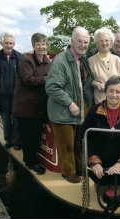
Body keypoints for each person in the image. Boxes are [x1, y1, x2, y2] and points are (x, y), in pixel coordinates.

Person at [45, 26, 94, 183]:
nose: (83, 44)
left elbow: (84, 82)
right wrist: (70, 103)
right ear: (72, 42)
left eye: (86, 42)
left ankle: (79, 167)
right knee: (67, 145)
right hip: (63, 111)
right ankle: (68, 172)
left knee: (78, 141)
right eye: (79, 41)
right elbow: (52, 87)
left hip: (79, 108)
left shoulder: (82, 59)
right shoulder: (61, 61)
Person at [81, 76, 120, 198]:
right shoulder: (94, 112)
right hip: (100, 164)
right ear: (105, 92)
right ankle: (102, 185)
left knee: (119, 195)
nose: (114, 95)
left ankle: (117, 185)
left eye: (118, 92)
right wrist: (94, 162)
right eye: (111, 91)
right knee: (101, 193)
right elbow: (85, 139)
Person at [12, 33, 51, 174]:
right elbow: (29, 80)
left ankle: (32, 158)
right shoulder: (27, 61)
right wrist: (47, 78)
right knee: (28, 137)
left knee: (35, 135)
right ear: (33, 46)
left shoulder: (47, 60)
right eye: (38, 44)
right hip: (26, 107)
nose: (41, 47)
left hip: (40, 106)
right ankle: (30, 162)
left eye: (43, 44)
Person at [0, 32, 24, 150]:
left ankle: (16, 141)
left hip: (17, 96)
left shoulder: (20, 57)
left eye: (11, 43)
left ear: (14, 44)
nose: (9, 45)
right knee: (6, 120)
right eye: (6, 43)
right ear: (1, 44)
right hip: (2, 97)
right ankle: (8, 140)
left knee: (16, 119)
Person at [89, 28, 120, 104]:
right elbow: (88, 80)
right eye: (101, 41)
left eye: (106, 40)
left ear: (111, 42)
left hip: (119, 102)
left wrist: (114, 86)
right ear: (97, 43)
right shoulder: (90, 61)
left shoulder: (117, 59)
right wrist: (95, 83)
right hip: (101, 102)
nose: (104, 43)